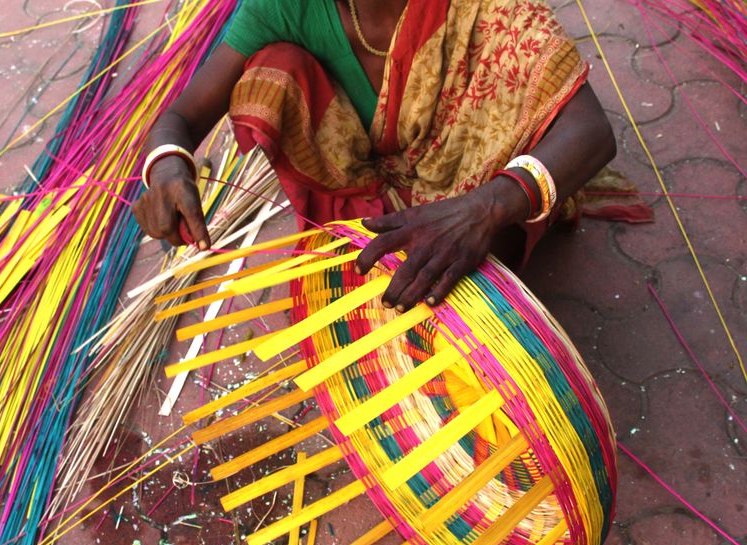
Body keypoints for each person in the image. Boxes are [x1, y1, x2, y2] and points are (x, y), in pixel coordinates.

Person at [134, 0, 618, 313]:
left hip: (475, 187)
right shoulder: (283, 6)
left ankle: (473, 253)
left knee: (463, 292)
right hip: (364, 177)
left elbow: (591, 131)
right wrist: (168, 165)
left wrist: (482, 210)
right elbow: (180, 118)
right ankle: (366, 233)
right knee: (273, 71)